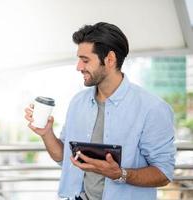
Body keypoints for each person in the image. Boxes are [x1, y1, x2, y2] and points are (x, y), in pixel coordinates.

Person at [24, 22, 176, 200]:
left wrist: (120, 174)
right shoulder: (78, 103)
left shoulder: (152, 108)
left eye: (85, 60)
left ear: (110, 60)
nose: (78, 67)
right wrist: (46, 134)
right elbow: (64, 159)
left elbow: (163, 173)